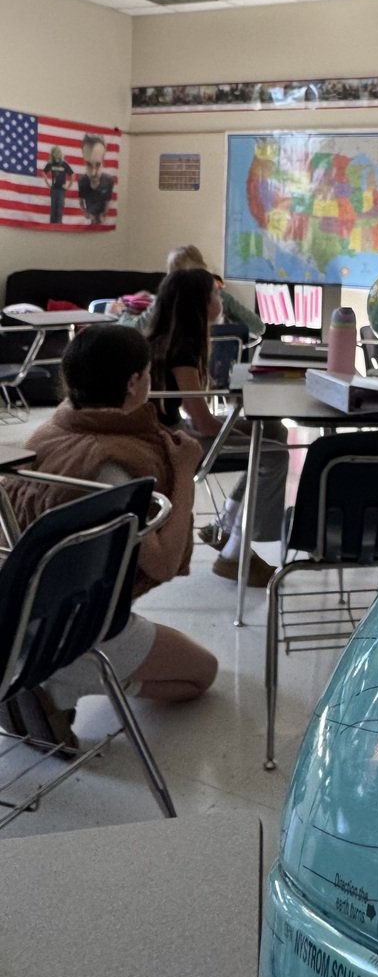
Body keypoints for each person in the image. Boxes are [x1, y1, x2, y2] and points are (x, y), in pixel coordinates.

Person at [0, 324, 217, 751]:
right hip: (80, 622)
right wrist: (187, 472)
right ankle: (62, 686)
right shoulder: (115, 465)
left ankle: (46, 681)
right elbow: (163, 562)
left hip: (18, 615)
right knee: (201, 675)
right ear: (134, 382)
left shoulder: (43, 436)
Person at [146, 267, 288, 587]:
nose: (219, 300)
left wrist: (249, 429)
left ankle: (224, 526)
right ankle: (234, 554)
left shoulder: (168, 338)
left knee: (274, 430)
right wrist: (244, 433)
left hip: (175, 429)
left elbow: (192, 411)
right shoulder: (183, 350)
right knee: (275, 453)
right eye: (213, 294)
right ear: (196, 304)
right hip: (176, 440)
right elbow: (204, 423)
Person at [110, 244, 265, 336]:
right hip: (219, 371)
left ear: (171, 275)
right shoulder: (220, 296)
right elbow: (258, 327)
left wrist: (121, 312)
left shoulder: (167, 299)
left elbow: (136, 330)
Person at [77, 133, 115, 224]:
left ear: (103, 161)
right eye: (89, 165)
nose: (93, 173)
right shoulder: (82, 181)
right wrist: (86, 214)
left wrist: (104, 215)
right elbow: (81, 202)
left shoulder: (109, 180)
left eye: (98, 165)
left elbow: (108, 202)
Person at [42, 145, 73, 223]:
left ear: (60, 153)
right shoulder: (51, 164)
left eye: (58, 152)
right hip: (54, 189)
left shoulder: (64, 164)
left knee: (59, 209)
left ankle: (59, 227)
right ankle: (52, 227)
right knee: (53, 210)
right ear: (52, 154)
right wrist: (47, 183)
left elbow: (72, 174)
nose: (57, 154)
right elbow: (43, 172)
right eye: (55, 152)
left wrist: (68, 186)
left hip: (61, 190)